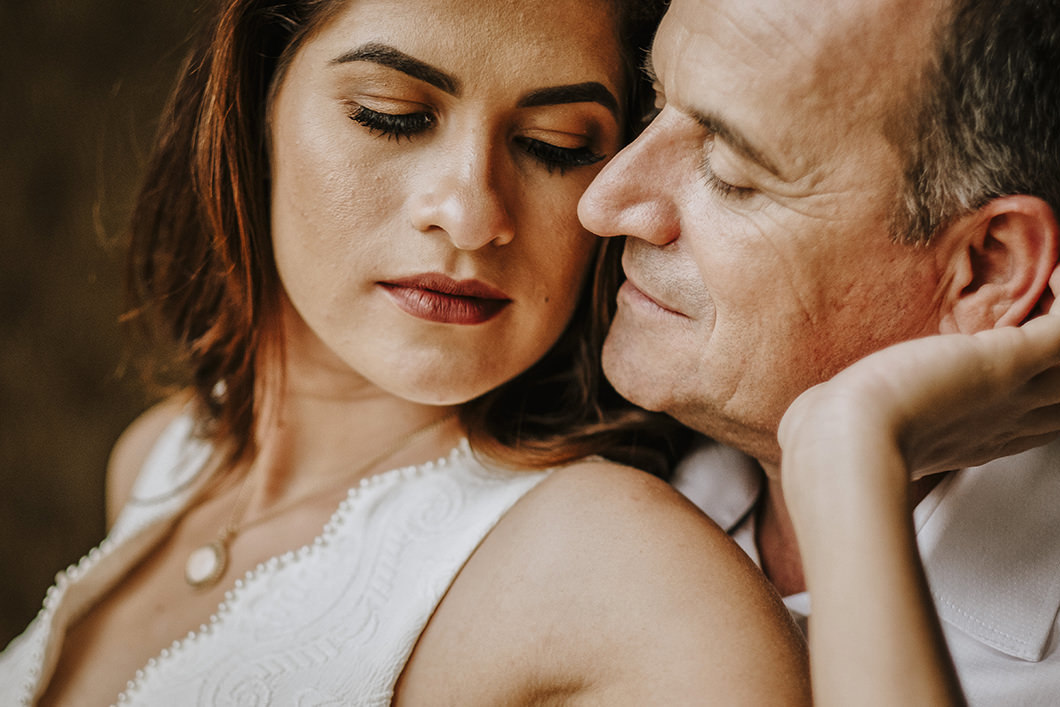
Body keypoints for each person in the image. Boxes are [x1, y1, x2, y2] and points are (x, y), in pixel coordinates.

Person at [0, 0, 815, 704]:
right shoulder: (158, 456)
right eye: (392, 114)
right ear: (258, 100)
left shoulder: (621, 566)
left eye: (556, 144)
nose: (469, 214)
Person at [577, 0, 1060, 703]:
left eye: (730, 169)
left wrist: (848, 448)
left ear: (986, 267)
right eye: (653, 105)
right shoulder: (607, 468)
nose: (604, 201)